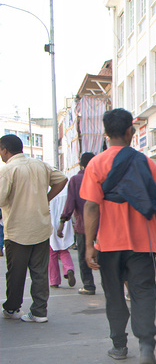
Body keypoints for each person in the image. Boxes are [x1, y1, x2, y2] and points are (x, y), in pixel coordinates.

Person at [81, 109, 156, 364]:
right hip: (141, 243)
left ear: (106, 133)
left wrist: (89, 245)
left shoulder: (96, 164)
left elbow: (91, 207)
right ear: (130, 131)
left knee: (114, 294)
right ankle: (146, 346)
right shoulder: (145, 163)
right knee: (143, 293)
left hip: (108, 244)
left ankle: (119, 345)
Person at [0, 134, 67, 323]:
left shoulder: (8, 169)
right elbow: (62, 179)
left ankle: (12, 308)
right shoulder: (40, 165)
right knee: (39, 272)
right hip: (41, 227)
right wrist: (46, 198)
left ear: (5, 150)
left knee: (16, 273)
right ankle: (39, 311)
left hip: (17, 230)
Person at [58, 152, 96, 295]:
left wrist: (63, 221)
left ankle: (88, 285)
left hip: (83, 225)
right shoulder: (100, 178)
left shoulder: (75, 180)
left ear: (81, 164)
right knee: (104, 256)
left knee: (83, 256)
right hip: (101, 225)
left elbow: (70, 202)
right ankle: (108, 285)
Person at [48, 190, 75, 288]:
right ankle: (69, 269)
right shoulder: (65, 189)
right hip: (64, 221)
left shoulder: (49, 190)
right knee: (64, 249)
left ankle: (54, 280)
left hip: (51, 222)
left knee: (52, 252)